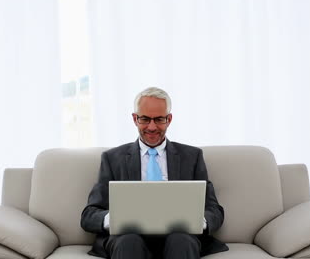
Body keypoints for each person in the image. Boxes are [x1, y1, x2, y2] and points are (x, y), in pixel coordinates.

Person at [81, 87, 228, 259]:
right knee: (128, 241)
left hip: (178, 237)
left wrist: (197, 221)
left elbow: (214, 210)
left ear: (169, 119)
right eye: (144, 119)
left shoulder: (192, 157)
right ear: (135, 119)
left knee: (181, 240)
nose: (152, 127)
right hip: (129, 239)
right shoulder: (112, 159)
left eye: (159, 119)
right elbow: (89, 215)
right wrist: (114, 219)